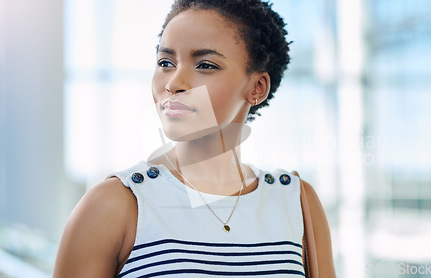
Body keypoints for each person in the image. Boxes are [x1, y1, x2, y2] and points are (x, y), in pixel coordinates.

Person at [53, 0, 336, 277]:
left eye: (205, 65)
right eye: (166, 62)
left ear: (257, 88)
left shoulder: (297, 202)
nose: (174, 83)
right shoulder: (114, 205)